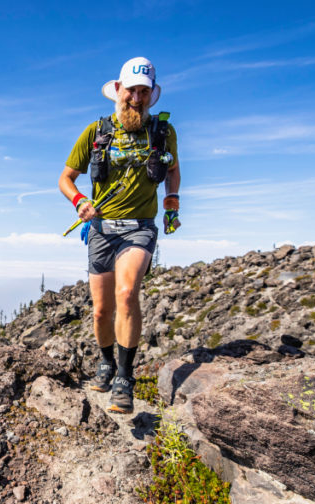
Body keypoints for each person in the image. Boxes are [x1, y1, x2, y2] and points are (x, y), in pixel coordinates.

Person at [58, 57, 181, 413]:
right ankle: (107, 362)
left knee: (127, 294)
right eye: (132, 91)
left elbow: (173, 169)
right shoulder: (96, 132)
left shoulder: (161, 131)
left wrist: (171, 203)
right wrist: (81, 202)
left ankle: (125, 378)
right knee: (101, 312)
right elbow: (66, 179)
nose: (137, 98)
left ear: (151, 95)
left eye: (144, 92)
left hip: (140, 229)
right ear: (119, 91)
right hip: (100, 229)